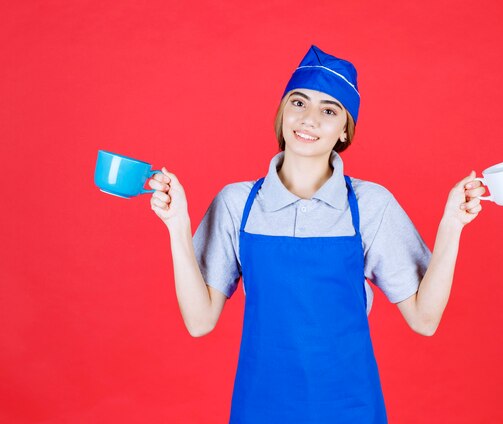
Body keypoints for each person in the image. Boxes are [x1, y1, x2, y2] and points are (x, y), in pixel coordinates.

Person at [148, 45, 485, 424]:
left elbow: (424, 319)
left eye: (328, 110)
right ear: (281, 113)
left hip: (351, 407)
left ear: (344, 129)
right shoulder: (237, 204)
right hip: (261, 405)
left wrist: (451, 225)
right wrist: (177, 223)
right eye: (298, 102)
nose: (308, 119)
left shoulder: (369, 205)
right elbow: (199, 321)